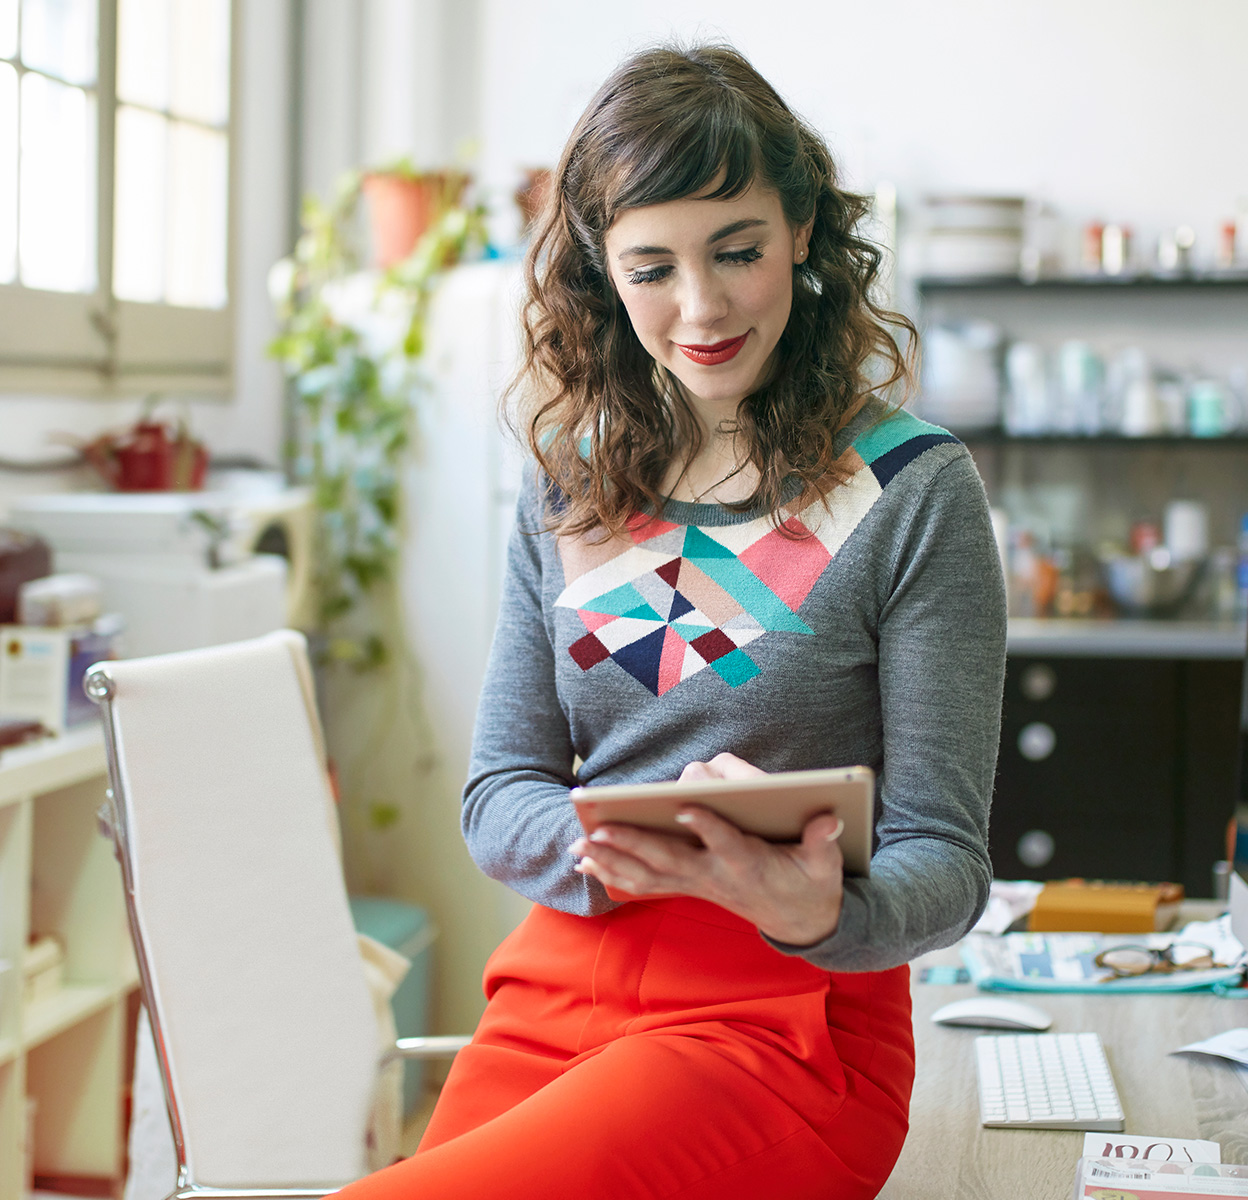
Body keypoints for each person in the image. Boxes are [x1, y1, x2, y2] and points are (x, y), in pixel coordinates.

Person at [337, 43, 1003, 1200]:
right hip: (560, 981)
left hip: (787, 1017)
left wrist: (819, 915)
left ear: (801, 230)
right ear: (602, 270)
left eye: (736, 251)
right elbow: (499, 794)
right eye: (651, 267)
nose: (699, 308)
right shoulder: (568, 484)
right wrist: (617, 852)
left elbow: (944, 859)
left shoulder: (912, 491)